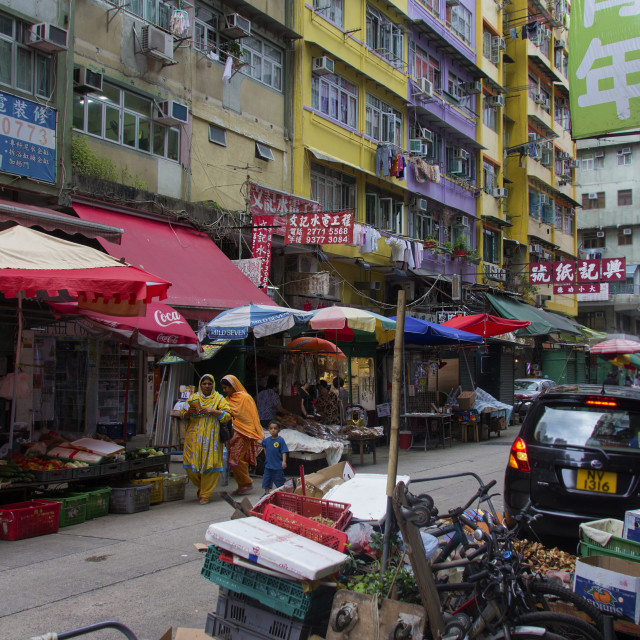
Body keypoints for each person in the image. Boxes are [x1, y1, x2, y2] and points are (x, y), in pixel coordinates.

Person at [180, 374, 231, 504]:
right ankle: (202, 488)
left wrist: (213, 411)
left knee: (210, 464)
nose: (207, 386)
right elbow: (183, 414)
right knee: (190, 466)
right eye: (204, 384)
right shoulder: (193, 398)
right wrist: (188, 413)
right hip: (193, 437)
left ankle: (205, 494)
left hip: (211, 437)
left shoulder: (219, 399)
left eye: (209, 384)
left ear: (213, 385)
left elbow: (228, 415)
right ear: (200, 385)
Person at [220, 374, 264, 497]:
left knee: (236, 459)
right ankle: (243, 484)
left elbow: (249, 416)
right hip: (232, 434)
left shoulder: (245, 398)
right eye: (223, 388)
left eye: (226, 388)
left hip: (244, 433)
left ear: (233, 386)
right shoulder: (227, 399)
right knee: (237, 459)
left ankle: (246, 483)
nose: (224, 391)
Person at [262, 421, 288, 495]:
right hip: (268, 465)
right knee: (266, 479)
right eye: (271, 428)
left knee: (279, 480)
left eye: (275, 428)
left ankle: (283, 493)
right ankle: (266, 493)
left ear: (279, 430)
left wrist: (284, 461)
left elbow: (284, 451)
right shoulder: (267, 440)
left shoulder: (280, 440)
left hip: (277, 466)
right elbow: (262, 444)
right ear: (268, 430)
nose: (273, 430)